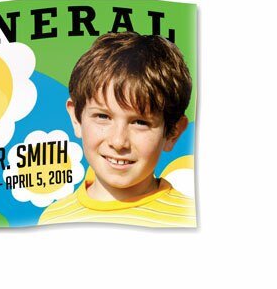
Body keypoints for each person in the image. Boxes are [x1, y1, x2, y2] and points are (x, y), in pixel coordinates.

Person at [39, 32, 195, 228]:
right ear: (76, 119)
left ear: (173, 132)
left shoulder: (189, 219)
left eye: (140, 122)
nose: (118, 142)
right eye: (103, 117)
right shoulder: (52, 220)